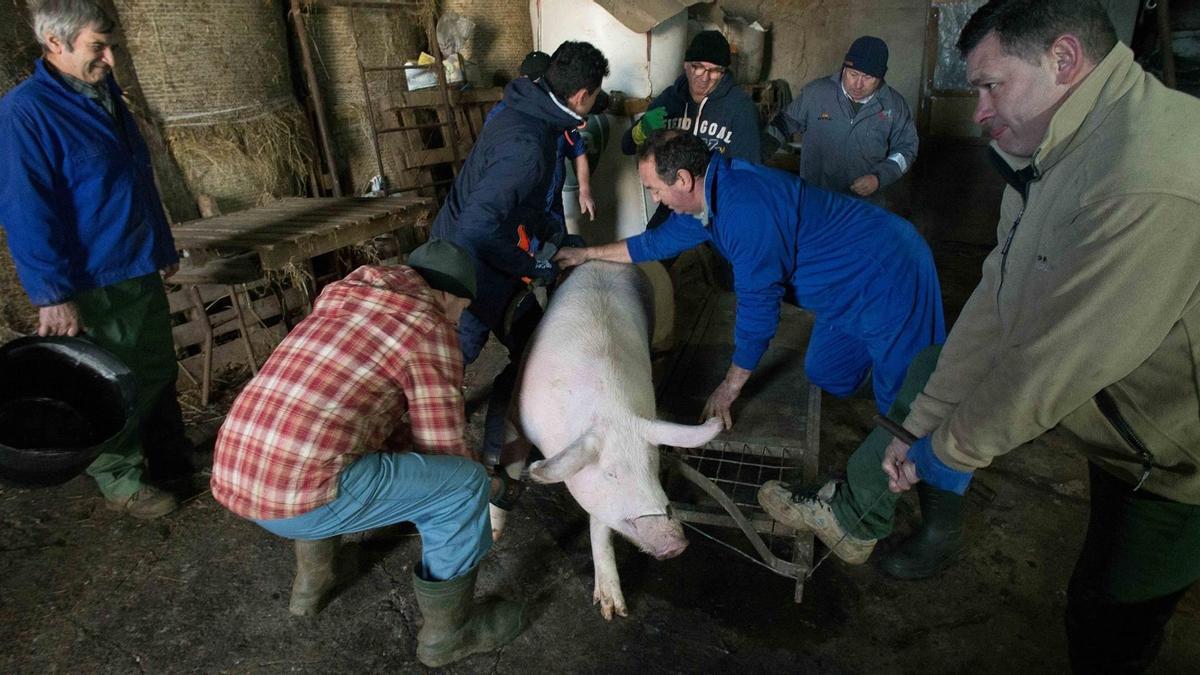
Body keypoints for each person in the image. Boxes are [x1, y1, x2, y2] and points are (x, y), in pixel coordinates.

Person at [757, 1, 1200, 671]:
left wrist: (947, 441)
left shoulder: (1144, 178)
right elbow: (997, 296)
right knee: (931, 371)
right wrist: (920, 425)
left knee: (1106, 609)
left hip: (1176, 455)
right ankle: (861, 513)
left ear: (1065, 60)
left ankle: (903, 524)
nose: (980, 111)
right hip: (1124, 426)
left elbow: (1057, 365)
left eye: (992, 85)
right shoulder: (1059, 149)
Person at [210, 241, 525, 668]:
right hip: (299, 499)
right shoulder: (429, 328)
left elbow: (354, 411)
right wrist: (487, 483)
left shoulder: (344, 296)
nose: (457, 321)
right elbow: (442, 446)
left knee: (325, 445)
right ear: (448, 297)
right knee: (462, 488)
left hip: (236, 468)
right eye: (460, 310)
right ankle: (449, 635)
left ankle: (312, 584)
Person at [555, 130, 945, 424]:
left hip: (888, 270)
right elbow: (651, 245)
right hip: (841, 288)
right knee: (828, 372)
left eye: (655, 190)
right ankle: (883, 364)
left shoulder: (746, 213)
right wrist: (587, 254)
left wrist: (729, 388)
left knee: (906, 403)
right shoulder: (707, 201)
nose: (655, 199)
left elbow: (758, 313)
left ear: (684, 181)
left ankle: (930, 507)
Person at [0, 0, 191, 519]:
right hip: (91, 279)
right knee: (114, 382)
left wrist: (161, 245)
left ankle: (165, 459)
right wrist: (53, 294)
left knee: (154, 367)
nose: (110, 57)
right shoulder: (26, 112)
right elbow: (26, 211)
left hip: (136, 262)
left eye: (111, 46)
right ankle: (120, 480)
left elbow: (132, 177)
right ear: (54, 45)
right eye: (97, 47)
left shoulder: (104, 94)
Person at [431, 41, 608, 465]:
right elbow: (478, 227)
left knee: (519, 347)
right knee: (454, 356)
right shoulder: (529, 146)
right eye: (597, 95)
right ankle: (444, 451)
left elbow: (521, 204)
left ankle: (498, 448)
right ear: (582, 95)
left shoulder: (525, 112)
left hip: (473, 249)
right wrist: (536, 264)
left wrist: (555, 237)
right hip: (465, 270)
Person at [769, 36, 918, 201]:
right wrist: (756, 151)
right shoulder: (816, 93)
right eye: (854, 74)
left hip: (864, 205)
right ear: (844, 68)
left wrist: (878, 178)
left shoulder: (895, 105)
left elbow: (906, 150)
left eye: (868, 78)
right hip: (816, 198)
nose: (858, 84)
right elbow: (784, 124)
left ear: (881, 77)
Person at [622, 30, 761, 162]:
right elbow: (627, 147)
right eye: (698, 67)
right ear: (686, 65)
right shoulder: (669, 99)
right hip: (671, 184)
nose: (705, 77)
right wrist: (641, 130)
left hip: (715, 185)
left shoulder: (741, 108)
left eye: (714, 70)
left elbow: (748, 172)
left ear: (723, 72)